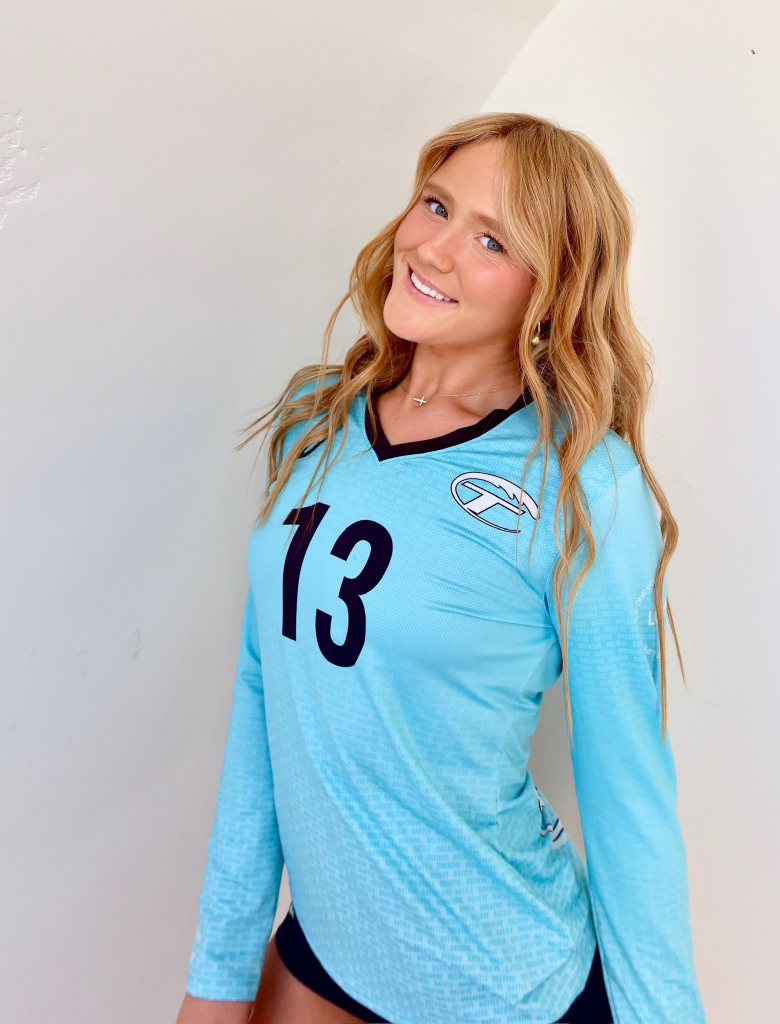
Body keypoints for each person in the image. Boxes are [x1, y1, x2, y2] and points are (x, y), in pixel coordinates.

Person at [175, 112, 705, 1024]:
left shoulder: (587, 489)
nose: (435, 248)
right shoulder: (317, 419)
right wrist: (218, 973)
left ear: (552, 291)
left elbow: (629, 797)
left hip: (501, 982)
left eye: (492, 240)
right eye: (436, 204)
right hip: (328, 947)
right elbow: (265, 694)